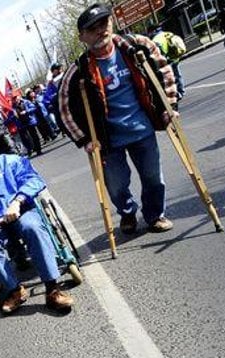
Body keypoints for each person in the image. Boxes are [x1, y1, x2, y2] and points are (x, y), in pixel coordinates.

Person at [58, 3, 177, 234]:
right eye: (92, 29)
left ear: (112, 23)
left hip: (141, 128)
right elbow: (63, 108)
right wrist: (84, 140)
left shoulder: (137, 46)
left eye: (104, 23)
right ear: (82, 37)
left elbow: (164, 70)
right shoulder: (78, 70)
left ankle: (154, 215)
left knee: (153, 177)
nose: (101, 30)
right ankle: (127, 212)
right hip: (107, 140)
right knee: (116, 185)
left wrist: (169, 106)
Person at [0, 134, 74, 314]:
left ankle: (52, 289)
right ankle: (14, 290)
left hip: (20, 212)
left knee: (32, 227)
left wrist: (18, 201)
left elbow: (34, 180)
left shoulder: (11, 161)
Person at [151, 25, 187, 98]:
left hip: (167, 60)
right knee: (178, 74)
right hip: (175, 57)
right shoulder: (167, 33)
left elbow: (158, 51)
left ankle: (176, 93)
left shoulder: (155, 39)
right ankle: (182, 91)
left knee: (170, 78)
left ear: (152, 31)